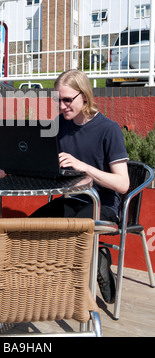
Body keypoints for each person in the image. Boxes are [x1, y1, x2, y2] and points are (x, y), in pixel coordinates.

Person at [30, 70, 130, 304]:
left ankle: (98, 260)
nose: (62, 106)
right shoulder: (57, 126)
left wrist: (84, 168)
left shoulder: (109, 129)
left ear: (84, 96)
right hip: (70, 200)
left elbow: (123, 184)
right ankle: (32, 292)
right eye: (58, 100)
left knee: (74, 233)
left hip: (102, 204)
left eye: (67, 100)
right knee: (26, 230)